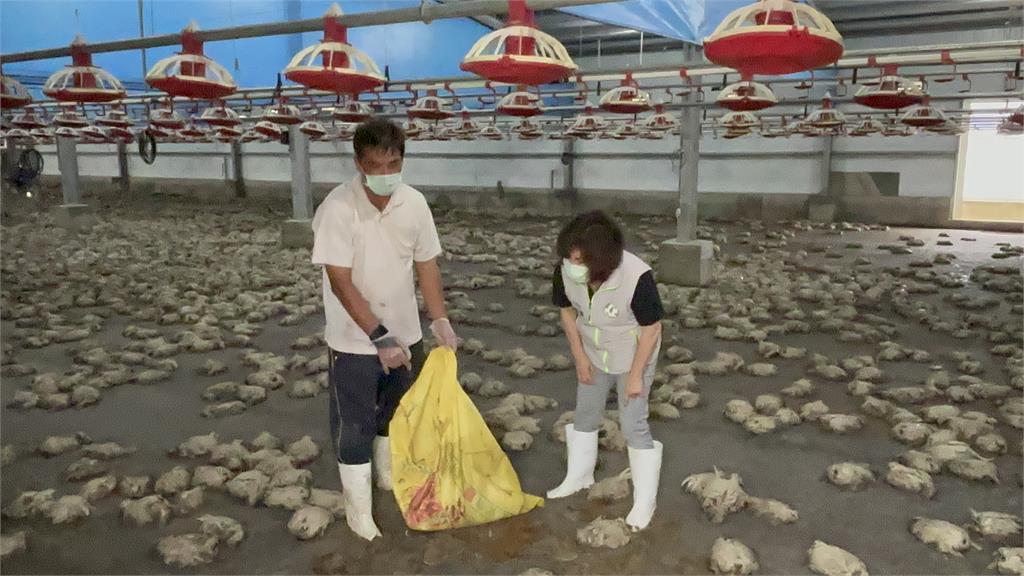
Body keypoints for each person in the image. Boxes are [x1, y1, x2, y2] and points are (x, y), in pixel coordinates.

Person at [311, 118, 458, 541]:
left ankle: (387, 479)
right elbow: (339, 279)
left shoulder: (413, 203)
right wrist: (378, 336)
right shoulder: (337, 208)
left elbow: (426, 263)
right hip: (355, 343)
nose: (386, 173)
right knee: (354, 425)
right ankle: (359, 514)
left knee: (395, 415)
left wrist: (439, 318)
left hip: (406, 335)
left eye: (394, 163)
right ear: (359, 163)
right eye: (376, 165)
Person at [546, 210, 665, 531]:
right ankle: (579, 476)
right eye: (569, 257)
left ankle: (644, 501)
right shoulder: (566, 273)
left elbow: (651, 329)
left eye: (578, 259)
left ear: (600, 261)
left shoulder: (637, 278)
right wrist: (579, 357)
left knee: (632, 422)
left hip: (632, 355)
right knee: (585, 412)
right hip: (595, 353)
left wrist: (637, 376)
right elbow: (567, 313)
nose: (571, 264)